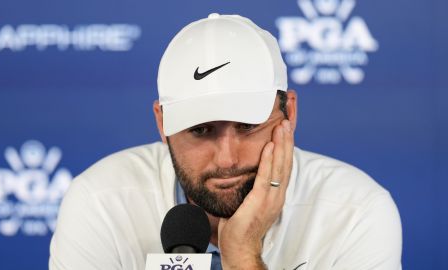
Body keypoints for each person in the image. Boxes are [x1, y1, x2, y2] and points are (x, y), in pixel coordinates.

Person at [49, 14, 402, 270]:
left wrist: (243, 254)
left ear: (289, 113)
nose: (227, 158)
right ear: (162, 123)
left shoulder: (356, 212)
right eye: (200, 130)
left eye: (248, 126)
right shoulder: (100, 204)